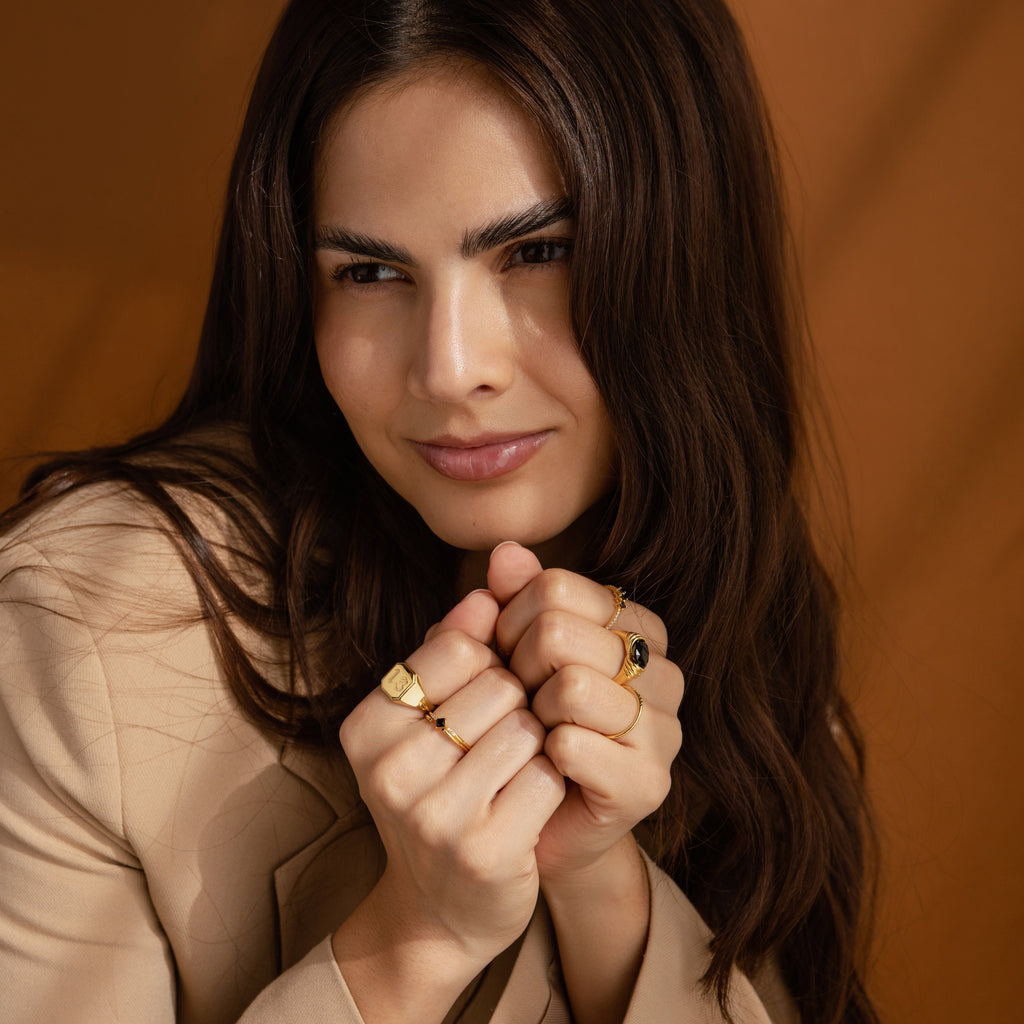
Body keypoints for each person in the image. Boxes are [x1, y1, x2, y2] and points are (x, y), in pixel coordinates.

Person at [0, 1, 879, 1022]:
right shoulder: (88, 635)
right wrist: (412, 943)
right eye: (370, 273)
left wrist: (603, 885)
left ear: (682, 254)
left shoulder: (728, 596)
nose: (450, 369)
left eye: (535, 252)